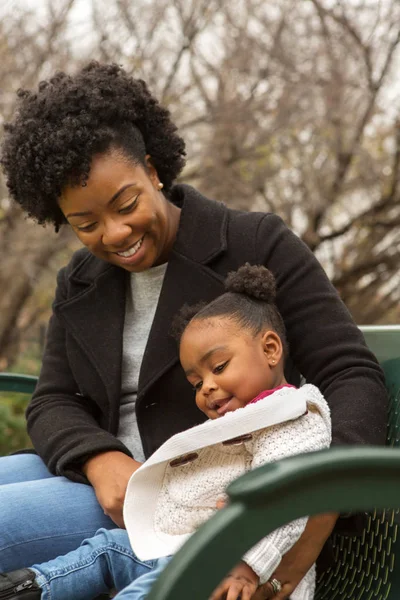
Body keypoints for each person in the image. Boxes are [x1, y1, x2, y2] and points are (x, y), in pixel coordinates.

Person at [0, 61, 387, 599]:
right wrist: (99, 457)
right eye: (87, 224)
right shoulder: (80, 283)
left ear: (154, 171)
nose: (116, 233)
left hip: (186, 492)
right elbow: (53, 401)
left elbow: (351, 374)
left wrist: (312, 502)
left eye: (127, 204)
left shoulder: (256, 243)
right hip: (107, 479)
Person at [0, 265, 331, 600]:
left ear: (271, 349)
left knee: (161, 587)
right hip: (184, 548)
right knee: (107, 549)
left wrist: (245, 567)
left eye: (218, 368)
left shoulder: (292, 415)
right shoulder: (240, 419)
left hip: (235, 574)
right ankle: (31, 587)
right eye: (197, 383)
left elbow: (283, 501)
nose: (207, 388)